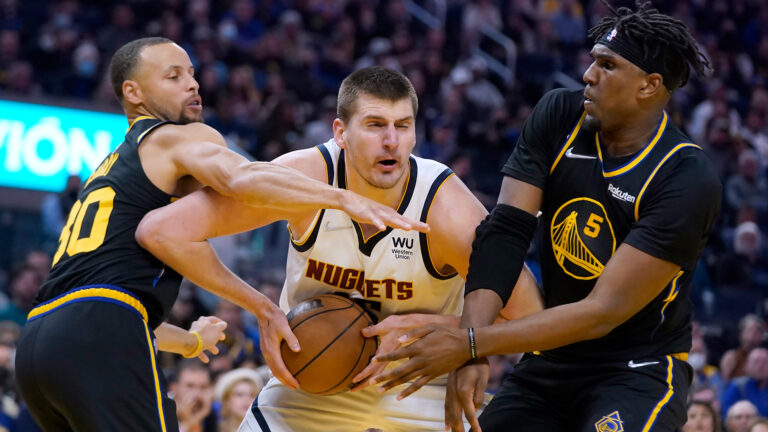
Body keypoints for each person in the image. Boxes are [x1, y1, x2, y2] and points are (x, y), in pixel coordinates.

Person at [15, 37, 425, 432]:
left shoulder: (112, 170)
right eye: (173, 76)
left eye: (192, 73)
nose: (192, 84)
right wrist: (341, 197)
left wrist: (191, 344)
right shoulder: (174, 136)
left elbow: (103, 303)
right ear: (133, 93)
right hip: (97, 328)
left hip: (38, 346)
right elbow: (241, 178)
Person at [371, 2, 722, 431]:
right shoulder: (559, 115)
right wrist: (471, 349)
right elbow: (505, 232)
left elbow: (602, 312)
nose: (588, 75)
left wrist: (471, 342)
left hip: (636, 369)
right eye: (593, 61)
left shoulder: (686, 177)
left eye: (607, 66)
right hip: (553, 357)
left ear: (648, 86)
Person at [136, 66, 543, 431]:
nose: (391, 141)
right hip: (311, 383)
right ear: (340, 132)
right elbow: (162, 231)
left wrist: (430, 327)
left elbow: (533, 320)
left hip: (421, 383)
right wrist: (262, 308)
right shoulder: (304, 176)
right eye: (375, 125)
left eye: (403, 126)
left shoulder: (445, 207)